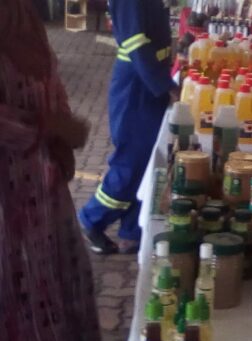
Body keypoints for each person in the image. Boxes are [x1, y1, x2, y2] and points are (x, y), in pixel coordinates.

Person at [0, 1, 110, 341]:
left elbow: (51, 78)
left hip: (43, 188)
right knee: (19, 299)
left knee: (62, 286)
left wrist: (62, 137)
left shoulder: (25, 17)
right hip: (7, 198)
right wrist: (49, 126)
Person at [79, 0, 178, 254]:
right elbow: (135, 42)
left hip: (149, 81)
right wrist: (165, 85)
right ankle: (92, 219)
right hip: (137, 87)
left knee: (147, 161)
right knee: (131, 162)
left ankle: (132, 232)